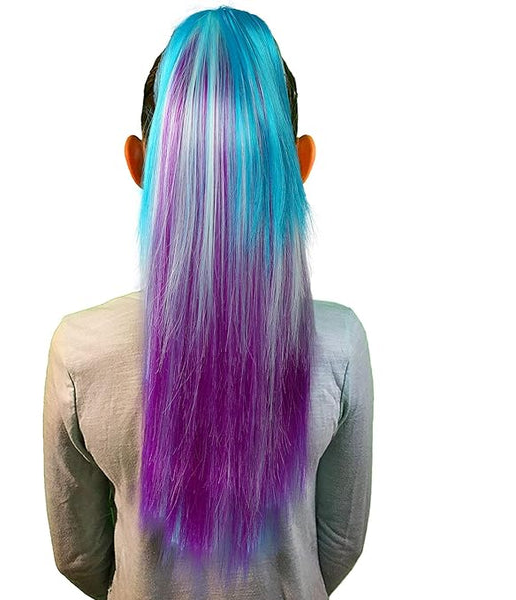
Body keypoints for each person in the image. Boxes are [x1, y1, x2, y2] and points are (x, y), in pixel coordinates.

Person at [43, 6, 374, 600]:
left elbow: (79, 554)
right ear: (300, 163)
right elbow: (339, 543)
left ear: (138, 163)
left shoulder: (81, 350)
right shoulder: (340, 343)